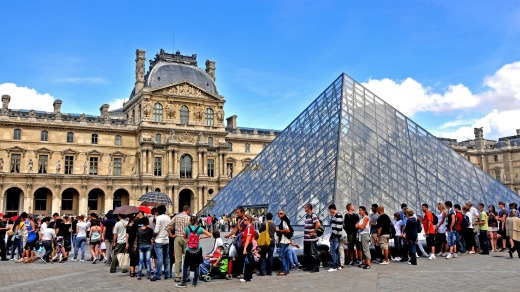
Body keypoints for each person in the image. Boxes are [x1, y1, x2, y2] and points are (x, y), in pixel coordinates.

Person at [176, 216, 212, 288]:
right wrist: (201, 237)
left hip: (189, 249)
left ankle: (183, 282)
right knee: (197, 265)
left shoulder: (187, 228)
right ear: (197, 221)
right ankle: (195, 282)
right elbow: (210, 235)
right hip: (198, 249)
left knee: (186, 265)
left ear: (190, 221)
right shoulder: (200, 228)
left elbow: (185, 237)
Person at [167, 205, 191, 282]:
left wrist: (171, 235)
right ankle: (186, 276)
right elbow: (192, 229)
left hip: (177, 238)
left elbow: (167, 226)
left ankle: (178, 277)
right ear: (187, 210)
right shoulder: (189, 218)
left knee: (178, 259)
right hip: (186, 238)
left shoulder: (176, 217)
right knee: (187, 258)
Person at [150, 205, 171, 281]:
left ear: (159, 211)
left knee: (159, 258)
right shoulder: (168, 218)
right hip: (166, 240)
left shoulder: (158, 218)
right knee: (166, 258)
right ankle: (167, 274)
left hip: (158, 240)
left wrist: (153, 237)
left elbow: (156, 230)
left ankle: (157, 275)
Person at [303, 203, 320, 273]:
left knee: (313, 253)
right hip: (307, 239)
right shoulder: (307, 216)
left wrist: (313, 232)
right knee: (307, 254)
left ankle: (315, 268)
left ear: (309, 208)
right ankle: (309, 267)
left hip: (312, 239)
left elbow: (318, 224)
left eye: (305, 207)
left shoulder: (313, 215)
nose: (304, 208)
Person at [258, 212, 276, 276]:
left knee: (263, 256)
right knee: (270, 256)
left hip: (266, 242)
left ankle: (263, 272)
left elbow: (260, 231)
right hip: (272, 240)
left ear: (266, 217)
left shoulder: (265, 224)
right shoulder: (274, 224)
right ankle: (270, 271)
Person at [276, 209, 292, 276]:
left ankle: (285, 270)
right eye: (278, 213)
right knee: (285, 256)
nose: (279, 215)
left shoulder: (284, 221)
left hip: (284, 240)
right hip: (285, 240)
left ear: (284, 214)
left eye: (281, 213)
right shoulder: (285, 220)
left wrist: (279, 231)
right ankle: (286, 270)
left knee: (281, 256)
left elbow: (288, 230)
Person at [328, 204, 343, 271]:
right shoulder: (335, 216)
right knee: (336, 251)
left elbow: (338, 227)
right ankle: (338, 265)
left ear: (332, 209)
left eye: (329, 210)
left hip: (335, 236)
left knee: (332, 251)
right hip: (335, 235)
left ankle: (333, 266)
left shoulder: (338, 215)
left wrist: (332, 235)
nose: (329, 211)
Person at [240, 214, 255, 283]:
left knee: (247, 261)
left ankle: (246, 277)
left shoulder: (248, 228)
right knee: (249, 260)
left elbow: (248, 239)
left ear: (249, 220)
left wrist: (245, 248)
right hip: (249, 245)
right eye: (243, 220)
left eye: (245, 220)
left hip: (247, 245)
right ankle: (250, 276)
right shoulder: (250, 226)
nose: (244, 221)